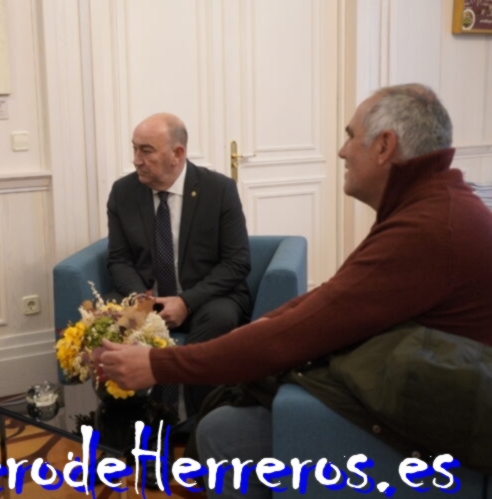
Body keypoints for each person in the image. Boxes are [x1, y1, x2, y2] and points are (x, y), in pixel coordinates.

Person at [100, 84, 492, 497]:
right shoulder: (433, 206)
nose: (341, 151)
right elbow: (330, 300)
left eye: (350, 136)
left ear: (384, 146)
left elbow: (307, 323)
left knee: (223, 431)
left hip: (432, 415)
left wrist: (159, 364)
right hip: (408, 387)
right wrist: (260, 328)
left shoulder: (428, 228)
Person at [106, 112, 252, 417]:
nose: (136, 160)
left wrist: (186, 301)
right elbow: (120, 259)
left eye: (146, 150)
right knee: (108, 326)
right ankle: (133, 421)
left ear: (178, 153)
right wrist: (141, 301)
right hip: (147, 299)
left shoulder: (219, 190)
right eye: (134, 149)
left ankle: (198, 420)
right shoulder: (123, 192)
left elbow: (237, 262)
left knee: (219, 319)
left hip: (206, 298)